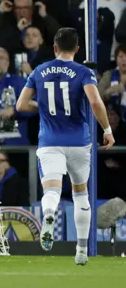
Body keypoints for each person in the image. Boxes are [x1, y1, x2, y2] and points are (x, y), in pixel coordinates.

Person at [16, 27, 115, 266]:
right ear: (77, 49)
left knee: (51, 190)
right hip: (79, 143)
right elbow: (94, 100)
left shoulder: (40, 71)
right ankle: (81, 250)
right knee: (81, 195)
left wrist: (45, 108)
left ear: (55, 47)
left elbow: (20, 105)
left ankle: (49, 212)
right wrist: (107, 130)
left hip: (50, 142)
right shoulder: (83, 72)